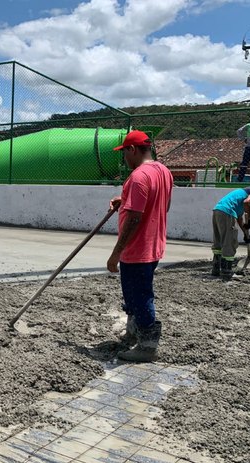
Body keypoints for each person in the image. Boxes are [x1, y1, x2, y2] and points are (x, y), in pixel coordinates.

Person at [107, 130, 174, 363]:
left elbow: (135, 219)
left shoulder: (138, 177)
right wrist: (124, 200)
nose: (124, 158)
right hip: (154, 245)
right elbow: (163, 206)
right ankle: (133, 333)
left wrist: (115, 254)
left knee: (141, 295)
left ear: (132, 150)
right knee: (134, 294)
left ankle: (147, 346)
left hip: (137, 249)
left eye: (124, 152)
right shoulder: (163, 172)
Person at [211, 183, 250, 280]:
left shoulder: (241, 195)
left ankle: (215, 269)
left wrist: (246, 234)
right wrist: (249, 219)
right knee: (230, 241)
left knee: (218, 240)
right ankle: (226, 271)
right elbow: (247, 202)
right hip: (228, 212)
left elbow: (239, 219)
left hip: (218, 210)